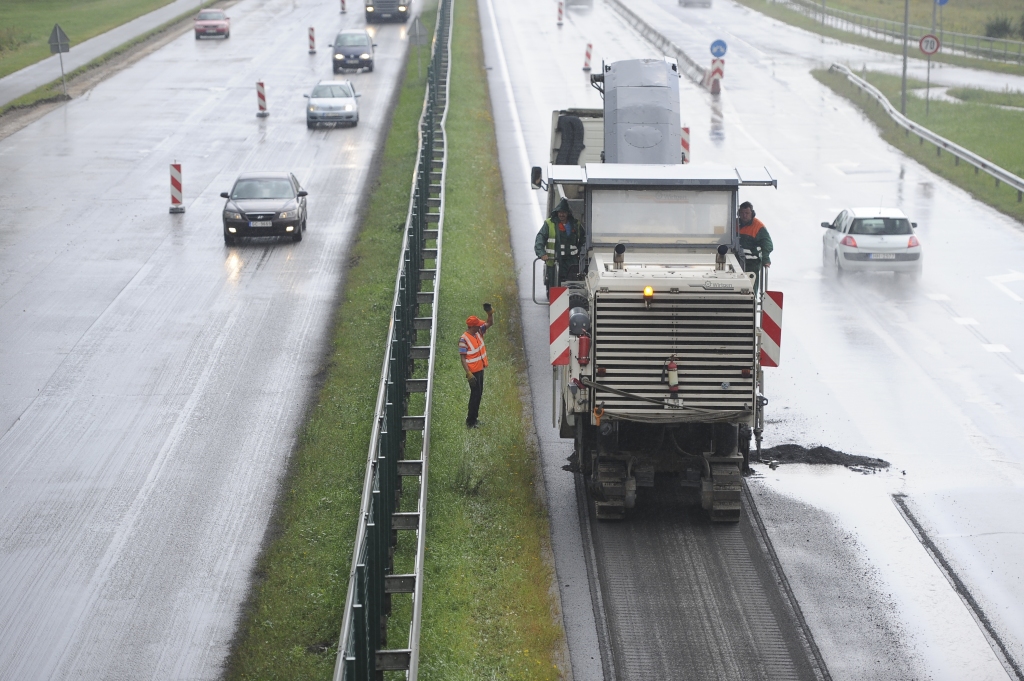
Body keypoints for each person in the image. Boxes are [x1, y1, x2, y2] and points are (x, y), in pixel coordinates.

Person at [534, 198, 584, 292]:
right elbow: (540, 238)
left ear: (568, 213)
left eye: (564, 212)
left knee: (572, 285)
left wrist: (581, 254)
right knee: (554, 286)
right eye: (559, 212)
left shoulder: (575, 224)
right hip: (554, 262)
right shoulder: (549, 223)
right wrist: (541, 253)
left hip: (572, 262)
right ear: (556, 212)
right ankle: (555, 303)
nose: (561, 214)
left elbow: (583, 239)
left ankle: (571, 302)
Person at [459, 303, 494, 428]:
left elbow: (490, 323)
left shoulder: (478, 332)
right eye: (478, 324)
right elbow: (463, 359)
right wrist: (468, 374)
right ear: (472, 327)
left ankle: (474, 419)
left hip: (480, 369)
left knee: (478, 394)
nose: (481, 325)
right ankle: (470, 422)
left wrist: (490, 313)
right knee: (475, 395)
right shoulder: (464, 339)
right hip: (473, 372)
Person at [737, 201, 773, 284]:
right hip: (735, 262)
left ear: (752, 213)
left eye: (747, 213)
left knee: (751, 289)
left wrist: (765, 259)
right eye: (742, 213)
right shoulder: (734, 224)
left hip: (752, 265)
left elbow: (767, 244)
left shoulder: (758, 227)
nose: (744, 215)